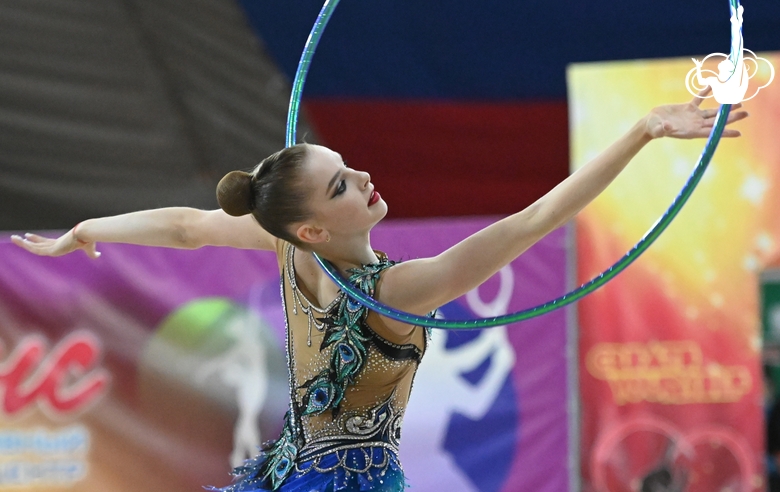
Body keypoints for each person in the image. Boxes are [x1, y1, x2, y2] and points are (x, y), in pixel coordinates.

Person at [11, 89, 747, 491]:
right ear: (310, 230)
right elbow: (537, 218)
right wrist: (644, 129)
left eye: (349, 166)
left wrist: (88, 225)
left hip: (290, 473)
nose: (362, 179)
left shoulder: (291, 252)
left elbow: (184, 226)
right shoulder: (403, 286)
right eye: (340, 184)